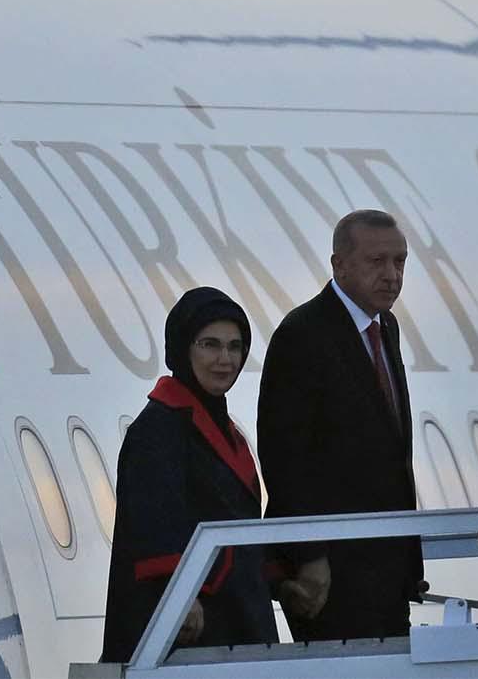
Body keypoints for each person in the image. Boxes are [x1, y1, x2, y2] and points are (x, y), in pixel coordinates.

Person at [257, 208, 423, 641]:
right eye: (376, 262)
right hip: (332, 572)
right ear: (339, 265)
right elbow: (284, 458)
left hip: (386, 565)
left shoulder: (385, 327)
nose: (391, 274)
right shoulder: (303, 334)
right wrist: (311, 554)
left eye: (399, 261)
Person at [101, 287, 278, 662]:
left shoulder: (219, 426)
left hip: (236, 614)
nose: (225, 359)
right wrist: (178, 591)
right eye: (210, 345)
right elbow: (154, 522)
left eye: (234, 347)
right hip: (189, 624)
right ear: (184, 348)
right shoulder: (159, 428)